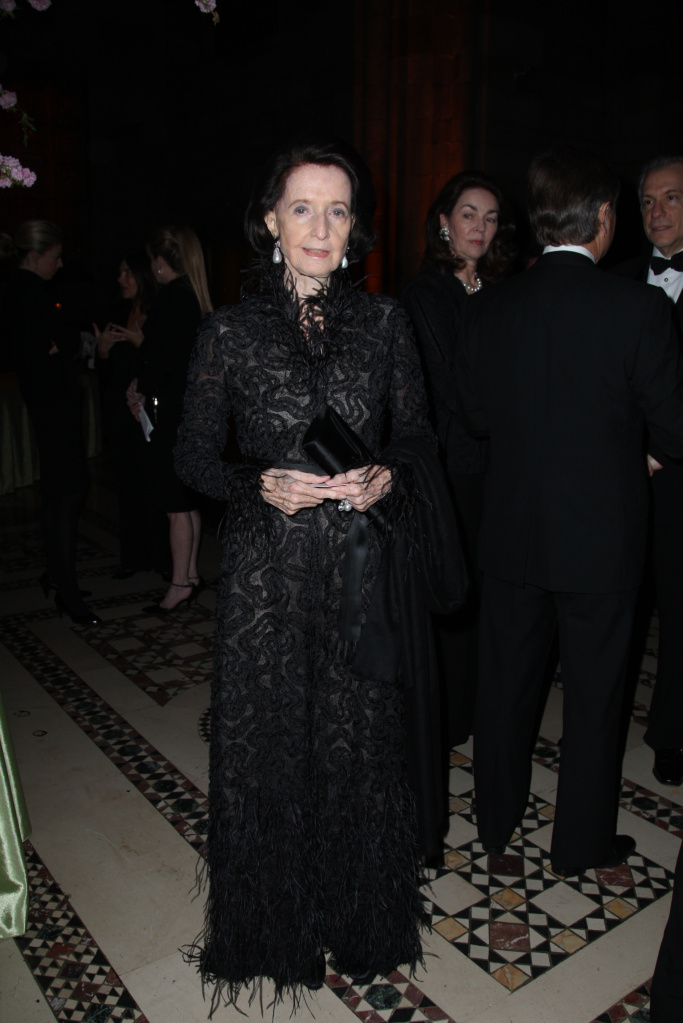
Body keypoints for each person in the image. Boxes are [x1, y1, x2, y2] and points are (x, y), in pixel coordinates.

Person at [174, 137, 461, 1006]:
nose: (319, 225)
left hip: (357, 574)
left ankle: (361, 917)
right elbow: (190, 454)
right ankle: (272, 928)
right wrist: (252, 483)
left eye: (336, 209)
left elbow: (415, 435)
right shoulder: (228, 331)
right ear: (269, 222)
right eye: (302, 206)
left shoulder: (384, 323)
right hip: (266, 579)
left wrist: (388, 475)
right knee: (270, 750)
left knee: (357, 748)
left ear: (354, 228)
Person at [455, 148, 683, 877]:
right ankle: (578, 844)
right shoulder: (637, 307)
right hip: (600, 543)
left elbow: (477, 415)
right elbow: (675, 431)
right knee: (593, 701)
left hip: (513, 536)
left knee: (503, 689)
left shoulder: (493, 304)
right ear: (604, 218)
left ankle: (494, 823)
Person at [403, 171, 516, 747]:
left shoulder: (501, 292)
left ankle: (479, 707)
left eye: (491, 217)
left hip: (501, 467)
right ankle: (448, 717)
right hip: (454, 468)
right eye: (469, 213)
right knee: (454, 590)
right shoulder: (427, 295)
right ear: (443, 222)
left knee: (494, 594)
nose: (480, 227)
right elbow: (450, 386)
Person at [611, 156, 683, 788]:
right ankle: (605, 726)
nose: (657, 212)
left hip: (682, 478)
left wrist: (665, 449)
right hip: (622, 478)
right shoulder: (618, 282)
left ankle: (670, 733)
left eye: (672, 199)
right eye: (649, 201)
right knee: (622, 608)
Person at [0, 220, 100, 625]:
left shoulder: (25, 290)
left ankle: (57, 576)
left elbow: (59, 340)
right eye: (55, 257)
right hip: (52, 406)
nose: (59, 265)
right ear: (36, 255)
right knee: (68, 493)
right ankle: (66, 589)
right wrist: (66, 344)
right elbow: (47, 344)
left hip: (48, 403)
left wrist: (64, 344)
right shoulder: (24, 291)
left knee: (60, 493)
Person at [123, 226, 211, 612]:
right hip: (185, 411)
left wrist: (140, 383)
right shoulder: (190, 298)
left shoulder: (174, 300)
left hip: (173, 413)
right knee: (185, 501)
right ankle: (189, 576)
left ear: (160, 263)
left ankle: (179, 584)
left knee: (176, 504)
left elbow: (163, 359)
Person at [95, 250, 170, 579]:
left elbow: (165, 364)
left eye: (127, 272)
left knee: (153, 484)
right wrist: (102, 353)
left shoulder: (158, 311)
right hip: (120, 411)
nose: (121, 279)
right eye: (120, 272)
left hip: (148, 413)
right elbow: (107, 371)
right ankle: (133, 557)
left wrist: (143, 344)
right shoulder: (118, 312)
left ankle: (160, 557)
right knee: (127, 485)